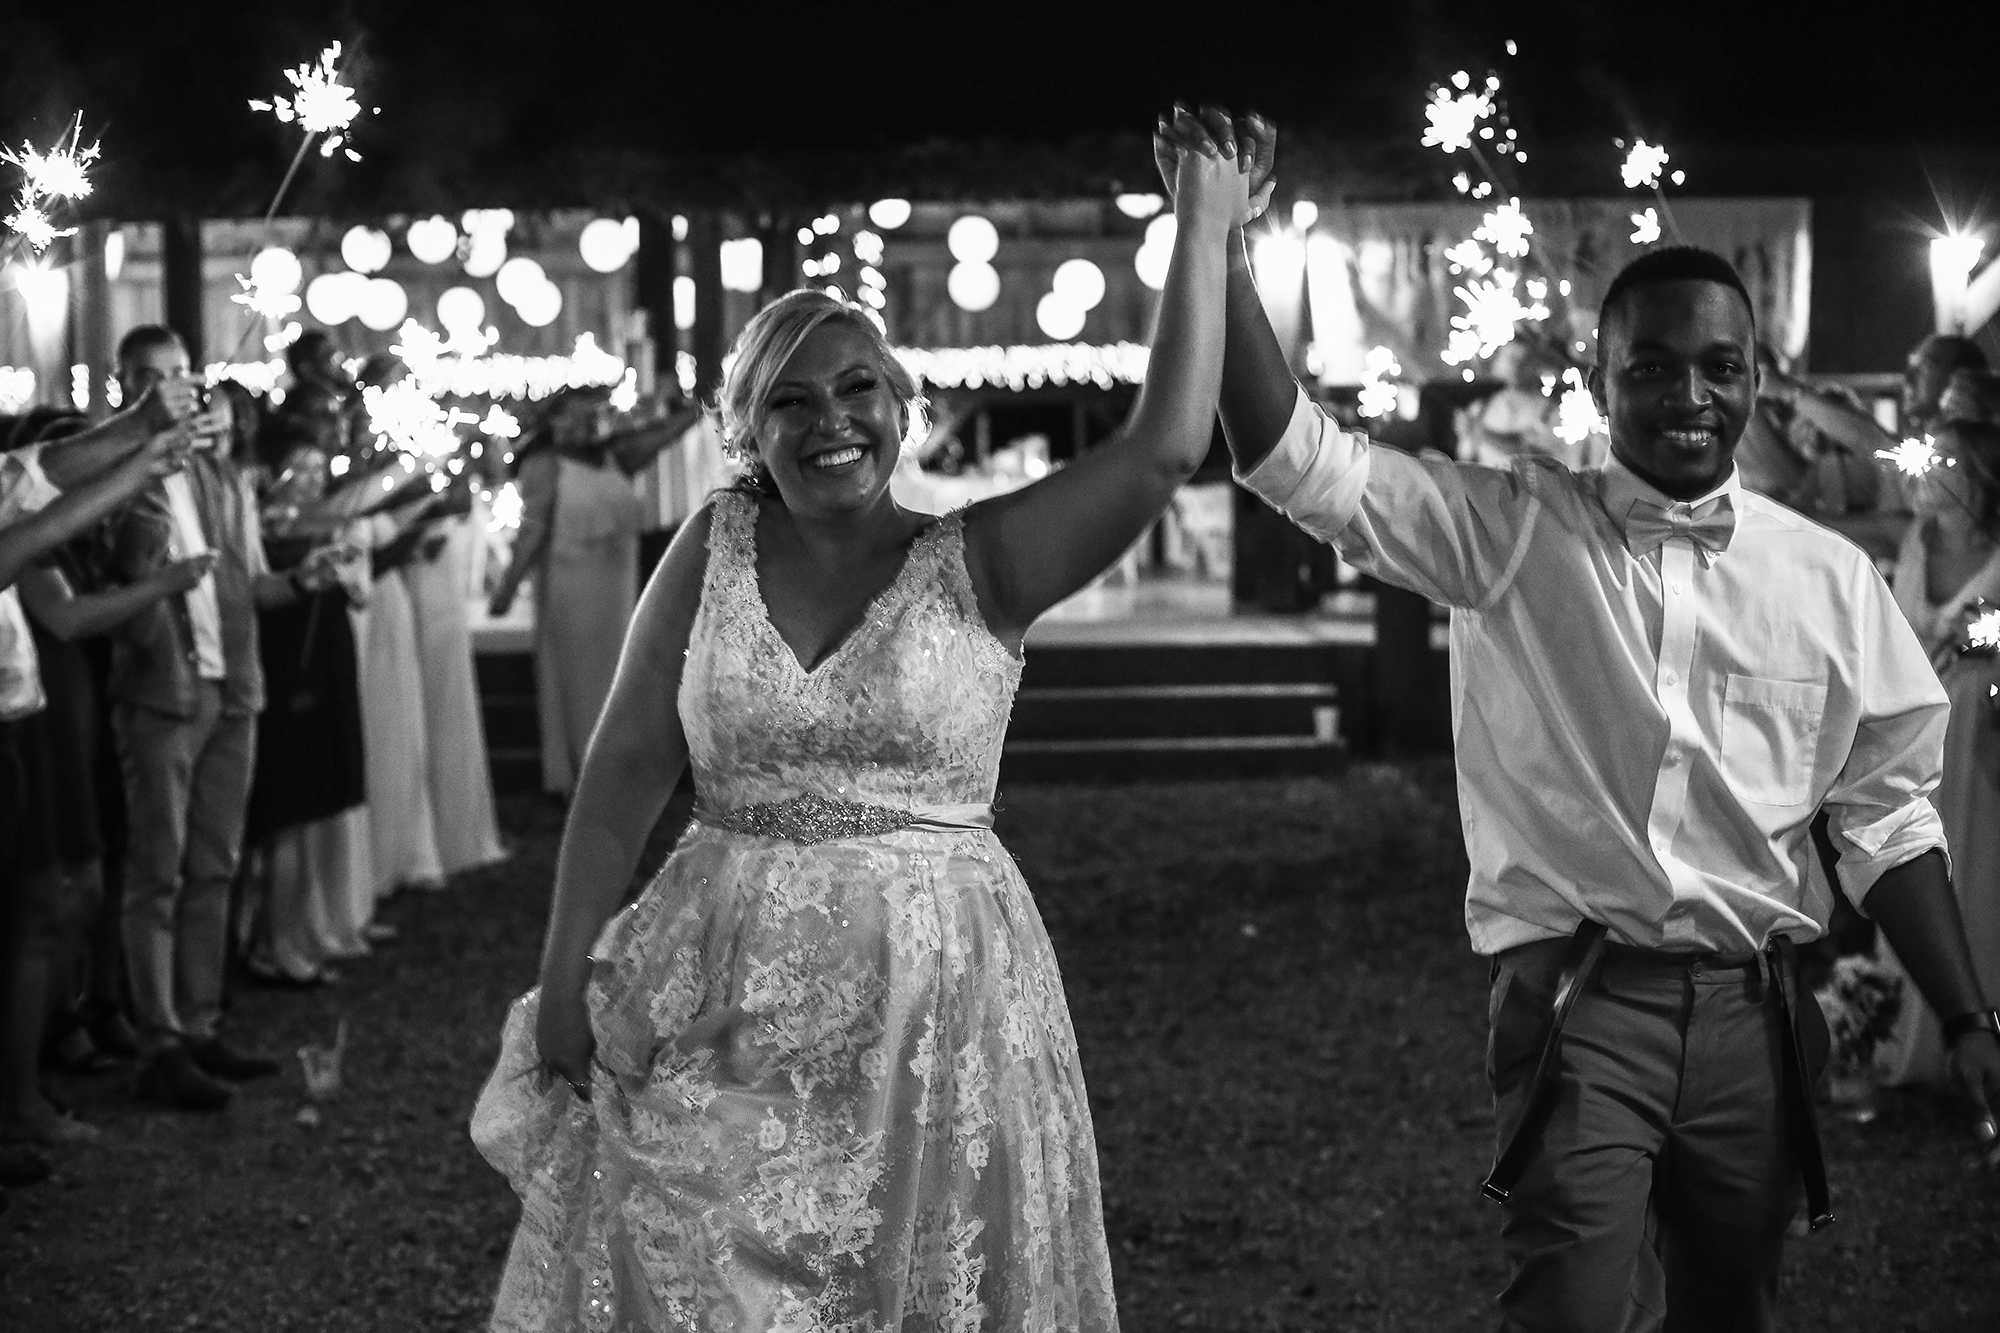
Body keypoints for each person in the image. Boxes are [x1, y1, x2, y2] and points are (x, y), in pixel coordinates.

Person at [1160, 108, 2000, 1331]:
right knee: (1569, 1306)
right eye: (1651, 366)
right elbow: (1288, 453)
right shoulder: (1512, 531)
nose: (1688, 395)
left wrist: (1970, 1018)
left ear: (1754, 379)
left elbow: (1883, 815)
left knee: (1732, 1309)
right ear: (1600, 383)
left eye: (1718, 367)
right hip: (1576, 1002)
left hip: (1756, 1018)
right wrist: (1226, 248)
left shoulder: (1826, 578)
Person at [471, 122, 1261, 1329]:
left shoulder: (979, 561)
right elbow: (629, 759)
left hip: (933, 1004)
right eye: (789, 401)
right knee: (691, 1270)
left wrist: (1203, 228)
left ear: (903, 405)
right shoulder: (709, 547)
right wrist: (564, 966)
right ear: (748, 431)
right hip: (720, 989)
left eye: (855, 388)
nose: (828, 420)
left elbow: (1159, 452)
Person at [101, 327, 340, 1111]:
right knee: (157, 871)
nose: (172, 388)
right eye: (151, 378)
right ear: (125, 387)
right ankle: (158, 1042)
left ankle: (199, 1023)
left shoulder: (219, 475)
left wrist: (302, 578)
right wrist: (150, 454)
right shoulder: (119, 475)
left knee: (215, 864)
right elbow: (131, 570)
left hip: (233, 686)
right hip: (164, 694)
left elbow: (247, 584)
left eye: (179, 376)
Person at [1, 414, 195, 1166]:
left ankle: (31, 1084)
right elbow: (27, 526)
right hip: (31, 724)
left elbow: (35, 483)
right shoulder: (41, 534)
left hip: (42, 718)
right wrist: (137, 461)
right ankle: (21, 1096)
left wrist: (141, 452)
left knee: (64, 898)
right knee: (41, 906)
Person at [487, 387, 700, 796]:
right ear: (553, 421)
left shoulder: (615, 455)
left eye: (591, 414)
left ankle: (620, 773)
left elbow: (669, 433)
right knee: (579, 680)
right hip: (572, 588)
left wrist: (695, 403)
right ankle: (584, 777)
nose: (583, 423)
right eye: (572, 415)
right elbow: (533, 530)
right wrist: (509, 587)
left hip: (617, 588)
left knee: (619, 677)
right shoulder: (546, 463)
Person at [1876, 419, 2000, 1087]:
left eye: (1943, 458)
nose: (1923, 471)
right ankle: (1910, 1029)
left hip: (1985, 743)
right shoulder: (1910, 539)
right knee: (1914, 863)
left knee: (1982, 872)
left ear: (1975, 472)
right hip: (1917, 737)